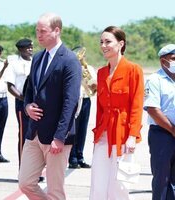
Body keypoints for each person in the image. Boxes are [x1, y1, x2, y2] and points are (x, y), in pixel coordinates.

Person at [18, 12, 82, 200]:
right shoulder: (37, 58)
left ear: (56, 31)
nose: (39, 35)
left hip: (56, 136)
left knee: (55, 190)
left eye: (43, 31)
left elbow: (71, 102)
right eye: (37, 31)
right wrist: (28, 106)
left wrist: (60, 137)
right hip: (34, 133)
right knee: (25, 183)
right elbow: (30, 89)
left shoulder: (70, 60)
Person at [89, 26, 144, 200]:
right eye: (101, 42)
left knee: (118, 186)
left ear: (120, 44)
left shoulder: (133, 70)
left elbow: (136, 105)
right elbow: (100, 108)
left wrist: (132, 136)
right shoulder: (101, 73)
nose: (104, 45)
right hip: (103, 133)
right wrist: (97, 133)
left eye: (108, 42)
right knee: (98, 183)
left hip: (123, 135)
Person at [143, 44, 175, 200]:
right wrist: (173, 130)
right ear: (164, 61)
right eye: (174, 58)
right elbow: (153, 109)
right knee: (162, 179)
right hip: (162, 135)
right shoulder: (155, 79)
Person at [5, 38, 33, 166]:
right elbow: (10, 86)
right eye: (28, 47)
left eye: (31, 47)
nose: (31, 49)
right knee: (24, 134)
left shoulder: (35, 62)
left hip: (37, 104)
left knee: (35, 137)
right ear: (21, 49)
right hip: (22, 103)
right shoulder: (14, 64)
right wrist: (23, 98)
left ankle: (34, 170)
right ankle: (23, 168)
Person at [69, 46, 97, 169]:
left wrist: (89, 76)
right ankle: (72, 157)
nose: (82, 57)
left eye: (82, 55)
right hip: (75, 100)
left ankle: (80, 156)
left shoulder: (89, 68)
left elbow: (94, 86)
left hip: (86, 100)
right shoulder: (71, 67)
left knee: (83, 129)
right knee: (74, 129)